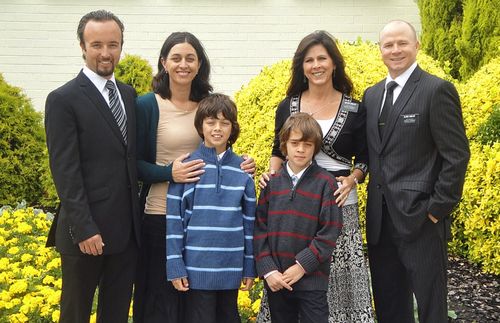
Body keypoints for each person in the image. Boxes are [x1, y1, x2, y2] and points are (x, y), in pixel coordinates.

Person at [134, 32, 255, 323]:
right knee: (160, 307)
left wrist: (244, 164)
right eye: (176, 58)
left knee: (197, 311)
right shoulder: (148, 105)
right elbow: (132, 165)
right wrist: (168, 172)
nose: (183, 64)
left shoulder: (207, 105)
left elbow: (219, 147)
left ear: (199, 64)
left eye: (190, 58)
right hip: (161, 215)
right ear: (164, 62)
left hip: (202, 225)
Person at [258, 30, 374, 322]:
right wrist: (272, 176)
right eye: (309, 60)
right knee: (293, 279)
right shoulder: (287, 106)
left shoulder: (355, 108)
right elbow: (277, 149)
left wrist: (353, 179)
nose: (316, 65)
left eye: (322, 58)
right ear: (302, 66)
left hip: (337, 204)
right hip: (293, 209)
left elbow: (365, 157)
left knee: (338, 285)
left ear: (334, 63)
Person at [363, 20, 470, 323]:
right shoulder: (372, 96)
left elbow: (457, 155)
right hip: (380, 223)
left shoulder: (437, 90)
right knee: (389, 306)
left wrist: (436, 209)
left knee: (431, 307)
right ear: (380, 50)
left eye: (402, 43)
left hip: (422, 220)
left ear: (416, 45)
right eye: (388, 44)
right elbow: (372, 154)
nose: (395, 50)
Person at [44, 10, 140, 323]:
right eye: (96, 44)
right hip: (84, 234)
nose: (105, 52)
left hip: (125, 233)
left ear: (121, 47)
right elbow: (65, 171)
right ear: (82, 47)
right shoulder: (63, 99)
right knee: (75, 314)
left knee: (114, 314)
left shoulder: (128, 94)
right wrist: (84, 228)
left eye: (113, 44)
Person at [166, 93, 256, 323]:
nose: (218, 128)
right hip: (196, 269)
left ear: (232, 128)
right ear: (200, 126)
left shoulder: (243, 172)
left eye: (225, 123)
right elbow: (175, 222)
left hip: (231, 269)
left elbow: (250, 223)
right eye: (211, 122)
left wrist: (249, 266)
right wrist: (175, 264)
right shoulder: (187, 168)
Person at [254, 112, 343, 323]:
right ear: (285, 145)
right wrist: (268, 270)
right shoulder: (272, 183)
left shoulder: (326, 184)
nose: (301, 149)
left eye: (307, 144)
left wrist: (302, 265)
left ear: (315, 148)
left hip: (311, 279)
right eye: (295, 143)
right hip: (277, 280)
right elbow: (259, 229)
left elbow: (329, 232)